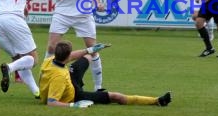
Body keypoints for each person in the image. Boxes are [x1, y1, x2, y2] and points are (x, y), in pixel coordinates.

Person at [39, 40, 172, 108]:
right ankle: (157, 101)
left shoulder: (50, 60)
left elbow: (72, 56)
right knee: (116, 96)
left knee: (88, 57)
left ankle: (91, 59)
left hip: (69, 78)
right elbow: (52, 102)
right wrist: (74, 105)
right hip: (75, 95)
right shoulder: (59, 77)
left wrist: (90, 49)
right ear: (66, 56)